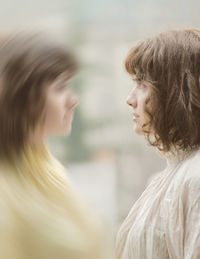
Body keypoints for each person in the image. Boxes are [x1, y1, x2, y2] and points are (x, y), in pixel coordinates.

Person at [0, 32, 106, 259]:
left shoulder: (48, 168)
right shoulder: (7, 187)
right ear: (22, 99)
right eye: (60, 88)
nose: (73, 99)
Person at [116, 29, 200, 259]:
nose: (130, 99)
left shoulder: (195, 178)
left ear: (175, 91)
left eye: (142, 83)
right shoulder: (173, 173)